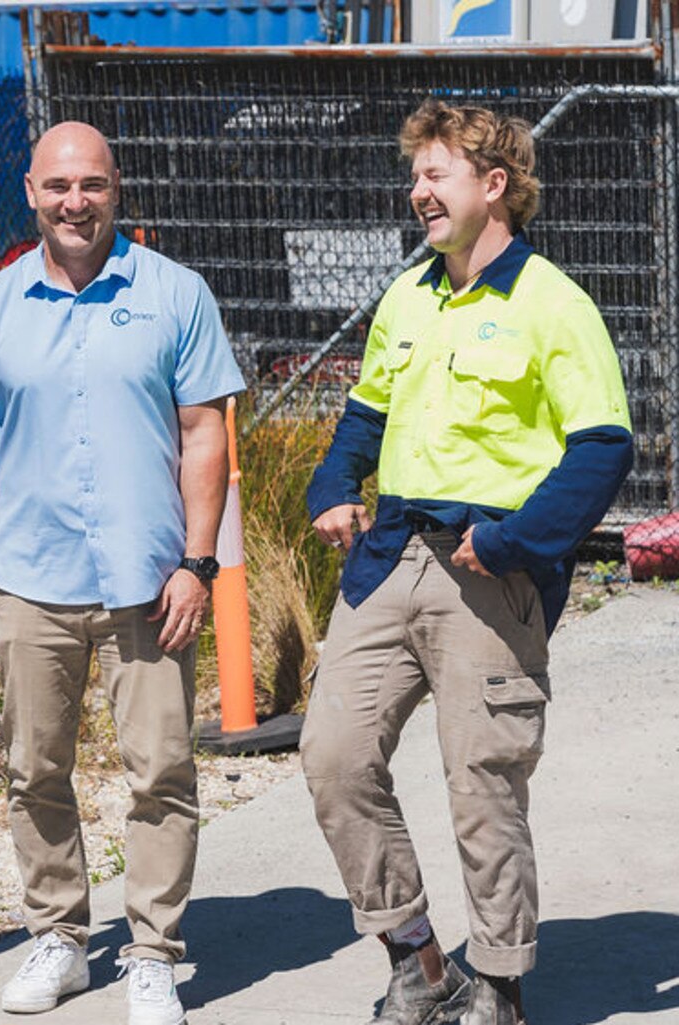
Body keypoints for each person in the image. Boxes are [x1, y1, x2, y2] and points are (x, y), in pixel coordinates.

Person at [301, 99, 633, 1025]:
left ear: (495, 186)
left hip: (490, 573)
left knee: (482, 782)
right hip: (388, 561)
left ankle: (497, 985)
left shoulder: (553, 303)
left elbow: (604, 446)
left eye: (435, 173)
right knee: (332, 754)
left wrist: (518, 541)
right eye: (415, 175)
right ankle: (417, 961)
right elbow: (363, 418)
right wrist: (333, 485)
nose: (417, 192)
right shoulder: (409, 296)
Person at [0, 121, 245, 1025]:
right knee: (34, 769)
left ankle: (151, 953)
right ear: (30, 190)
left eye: (93, 185)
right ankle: (60, 937)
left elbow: (204, 434)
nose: (75, 202)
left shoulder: (175, 294)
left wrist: (197, 561)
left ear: (116, 189)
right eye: (59, 186)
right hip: (31, 579)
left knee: (162, 771)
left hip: (150, 582)